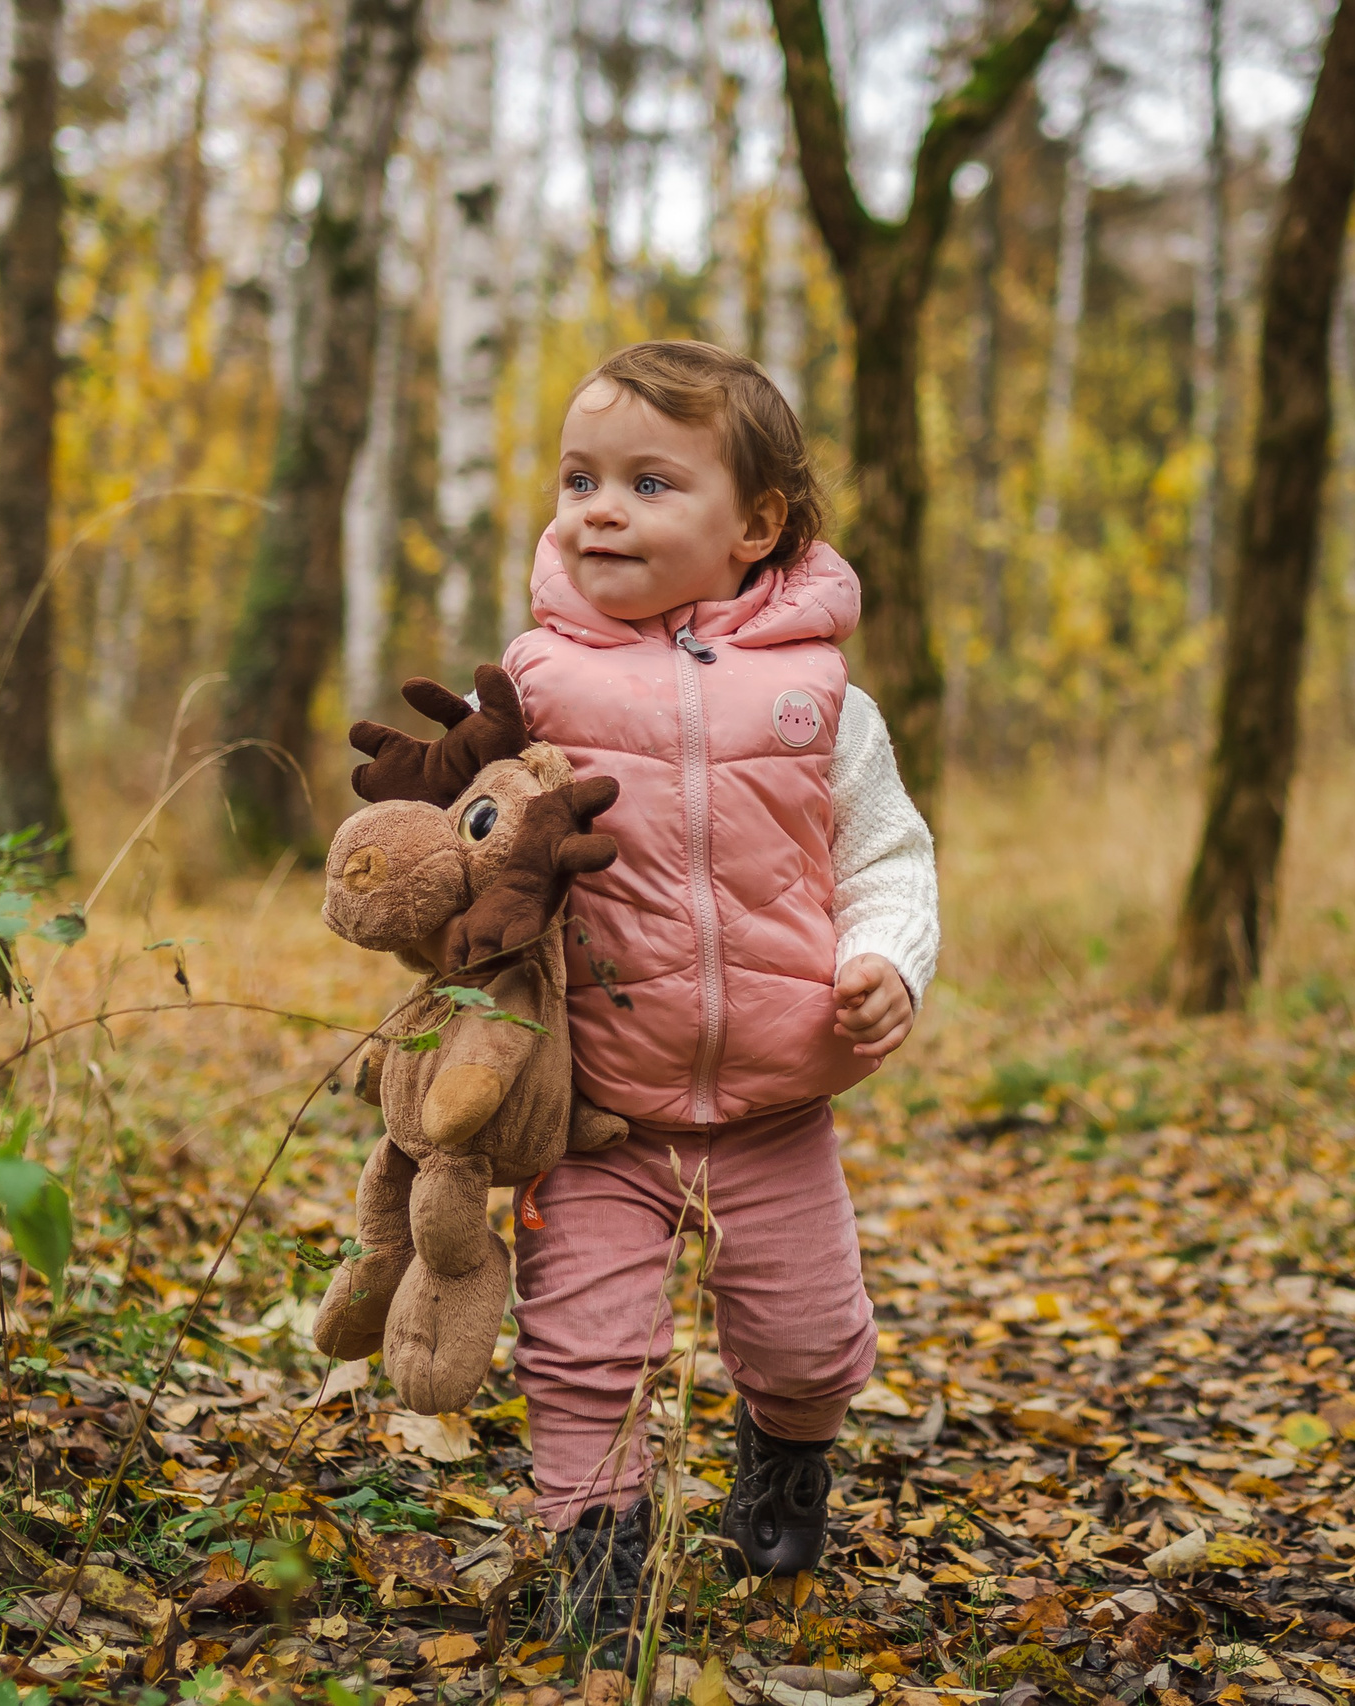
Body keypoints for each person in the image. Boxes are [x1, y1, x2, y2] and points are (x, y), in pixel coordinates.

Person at [499, 341, 939, 1654]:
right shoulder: (535, 687)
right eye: (580, 479)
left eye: (648, 480)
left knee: (807, 1341)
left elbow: (885, 857)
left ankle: (784, 1456)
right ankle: (600, 1558)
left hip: (775, 1102)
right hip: (598, 1109)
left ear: (756, 526)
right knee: (583, 1349)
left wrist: (887, 961)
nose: (601, 509)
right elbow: (483, 853)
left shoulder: (823, 702)